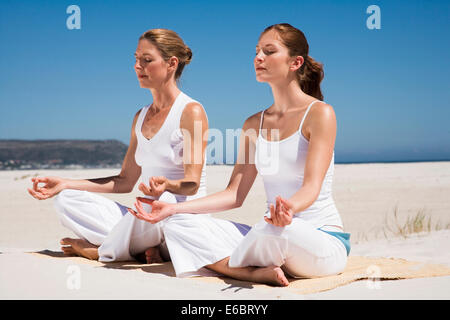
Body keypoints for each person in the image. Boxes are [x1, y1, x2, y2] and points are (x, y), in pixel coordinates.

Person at [129, 23, 351, 286]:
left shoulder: (320, 113)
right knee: (179, 224)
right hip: (270, 232)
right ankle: (248, 270)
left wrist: (289, 209)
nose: (258, 58)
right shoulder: (253, 124)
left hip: (318, 240)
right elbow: (234, 195)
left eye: (269, 51)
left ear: (295, 62)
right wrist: (173, 208)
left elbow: (312, 187)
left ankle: (237, 261)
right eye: (257, 51)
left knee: (273, 229)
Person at [27, 29, 247, 277]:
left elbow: (192, 185)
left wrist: (167, 186)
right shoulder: (139, 117)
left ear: (171, 63)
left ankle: (103, 251)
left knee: (158, 203)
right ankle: (142, 249)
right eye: (136, 59)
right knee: (67, 198)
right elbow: (124, 181)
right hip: (145, 216)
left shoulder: (191, 111)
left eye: (147, 59)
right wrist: (64, 183)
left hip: (180, 216)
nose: (137, 66)